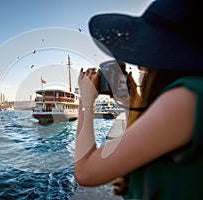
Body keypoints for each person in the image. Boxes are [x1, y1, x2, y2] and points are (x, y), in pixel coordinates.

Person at [74, 0, 203, 199]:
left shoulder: (187, 97)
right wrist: (131, 101)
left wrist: (85, 102)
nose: (143, 67)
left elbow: (85, 172)